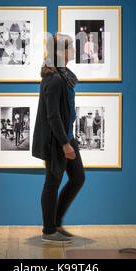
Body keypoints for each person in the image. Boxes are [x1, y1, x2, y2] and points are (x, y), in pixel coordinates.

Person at [32, 33, 85, 244]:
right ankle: (49, 230)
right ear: (59, 52)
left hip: (67, 137)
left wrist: (69, 140)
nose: (73, 50)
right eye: (70, 47)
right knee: (52, 182)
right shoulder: (54, 79)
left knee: (78, 177)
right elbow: (52, 116)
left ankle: (56, 223)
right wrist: (64, 144)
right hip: (57, 141)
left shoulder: (64, 75)